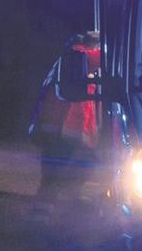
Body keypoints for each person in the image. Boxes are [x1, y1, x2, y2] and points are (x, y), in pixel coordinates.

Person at [29, 31, 101, 212]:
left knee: (81, 162)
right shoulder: (79, 57)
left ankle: (66, 199)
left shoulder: (70, 59)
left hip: (62, 124)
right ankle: (42, 211)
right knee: (57, 168)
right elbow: (103, 58)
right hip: (62, 125)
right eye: (97, 44)